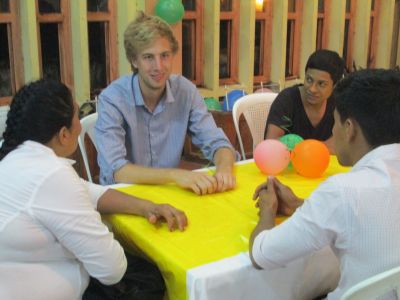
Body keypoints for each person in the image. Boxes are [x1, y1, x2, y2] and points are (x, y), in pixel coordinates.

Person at [0, 80, 187, 300]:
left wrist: (147, 207)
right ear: (63, 135)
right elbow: (111, 269)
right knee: (149, 277)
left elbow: (88, 191)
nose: (80, 124)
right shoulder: (51, 175)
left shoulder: (16, 159)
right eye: (77, 116)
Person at [250, 69, 400, 299]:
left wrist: (268, 211)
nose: (332, 130)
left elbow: (261, 255)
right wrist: (302, 205)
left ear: (349, 129)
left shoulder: (343, 191)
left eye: (335, 122)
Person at [95, 12, 237, 195]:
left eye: (165, 55)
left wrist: (224, 168)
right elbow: (117, 170)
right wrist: (175, 175)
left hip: (169, 194)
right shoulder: (112, 99)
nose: (159, 66)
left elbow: (217, 142)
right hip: (124, 197)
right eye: (148, 57)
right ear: (133, 60)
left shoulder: (185, 91)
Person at [265, 49, 345, 153]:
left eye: (321, 84)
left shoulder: (338, 102)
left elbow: (342, 143)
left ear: (334, 86)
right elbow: (271, 145)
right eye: (309, 80)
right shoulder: (287, 100)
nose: (312, 89)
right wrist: (320, 147)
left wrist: (298, 147)